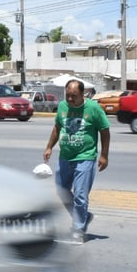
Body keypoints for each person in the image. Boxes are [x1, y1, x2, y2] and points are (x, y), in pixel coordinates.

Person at [43, 79, 110, 244]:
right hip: (65, 156)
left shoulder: (93, 108)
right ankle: (84, 217)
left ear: (83, 94)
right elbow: (57, 127)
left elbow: (105, 130)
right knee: (62, 190)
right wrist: (49, 147)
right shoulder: (63, 107)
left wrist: (104, 155)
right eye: (68, 95)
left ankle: (78, 230)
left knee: (80, 195)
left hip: (85, 157)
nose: (70, 99)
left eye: (74, 96)